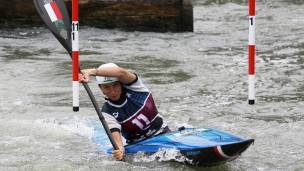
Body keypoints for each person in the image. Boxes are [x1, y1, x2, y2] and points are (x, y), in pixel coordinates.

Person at [79, 63, 170, 161]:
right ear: (101, 89)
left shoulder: (137, 88)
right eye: (106, 87)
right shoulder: (107, 113)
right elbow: (117, 142)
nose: (113, 92)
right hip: (140, 150)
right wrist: (119, 150)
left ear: (121, 83)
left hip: (164, 134)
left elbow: (121, 72)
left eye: (115, 85)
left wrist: (91, 72)